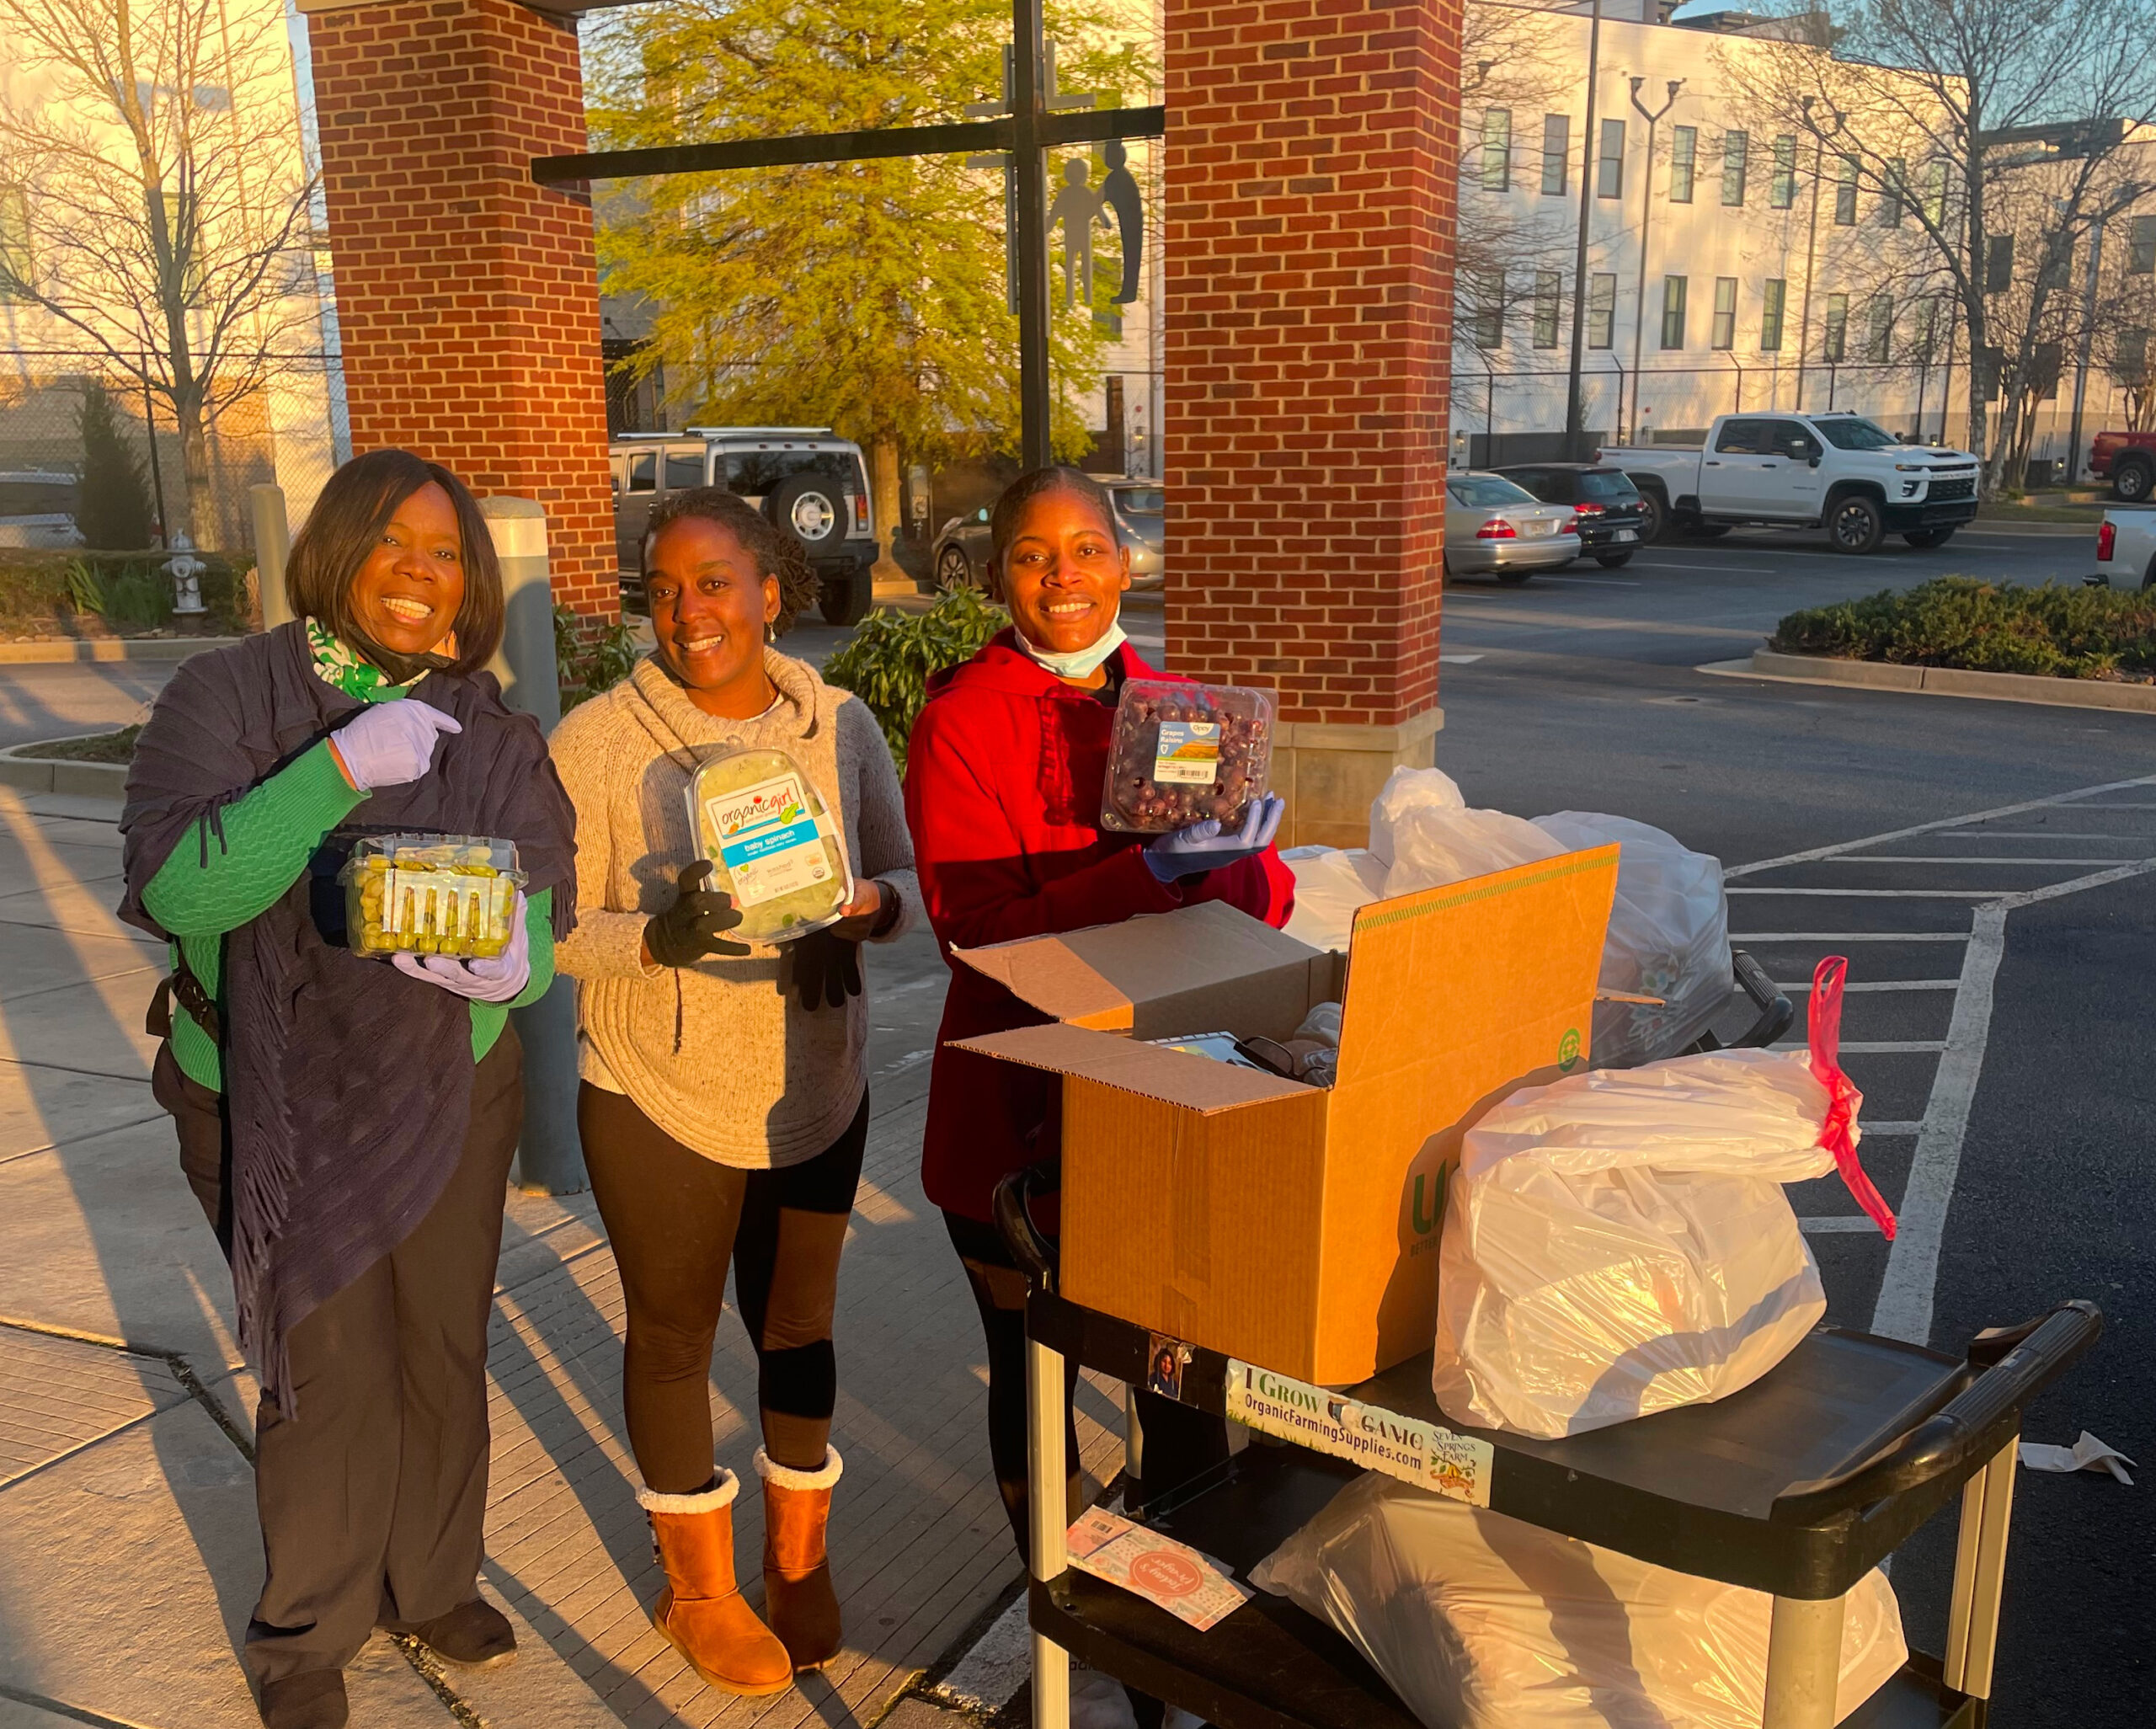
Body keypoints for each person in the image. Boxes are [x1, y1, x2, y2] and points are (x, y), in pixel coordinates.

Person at [118, 450, 577, 1729]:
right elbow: (182, 890)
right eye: (390, 542)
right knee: (323, 1358)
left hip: (447, 1092)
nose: (418, 575)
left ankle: (432, 1578)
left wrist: (509, 962)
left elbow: (539, 901)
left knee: (441, 1345)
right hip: (271, 1097)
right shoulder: (230, 695)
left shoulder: (487, 726)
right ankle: (306, 1630)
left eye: (444, 553)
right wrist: (333, 772)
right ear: (335, 550)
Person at [904, 466, 1290, 1726]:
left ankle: (1181, 1658)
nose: (1060, 576)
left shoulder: (1182, 708)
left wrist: (1246, 864)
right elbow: (975, 928)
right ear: (1000, 572)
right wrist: (1147, 874)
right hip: (1015, 1119)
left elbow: (1260, 908)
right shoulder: (963, 714)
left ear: (1126, 561)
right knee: (1039, 1400)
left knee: (1181, 1397)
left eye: (1084, 548)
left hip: (1161, 1111)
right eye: (1030, 553)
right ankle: (1077, 1650)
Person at [549, 488, 918, 1698]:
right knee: (672, 1336)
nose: (688, 609)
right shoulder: (597, 741)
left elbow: (902, 881)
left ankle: (795, 1560)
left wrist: (860, 912)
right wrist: (655, 937)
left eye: (714, 581)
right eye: (663, 585)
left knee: (798, 1326)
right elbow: (546, 927)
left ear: (771, 587)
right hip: (660, 1087)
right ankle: (698, 1590)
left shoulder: (843, 723)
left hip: (815, 1073)